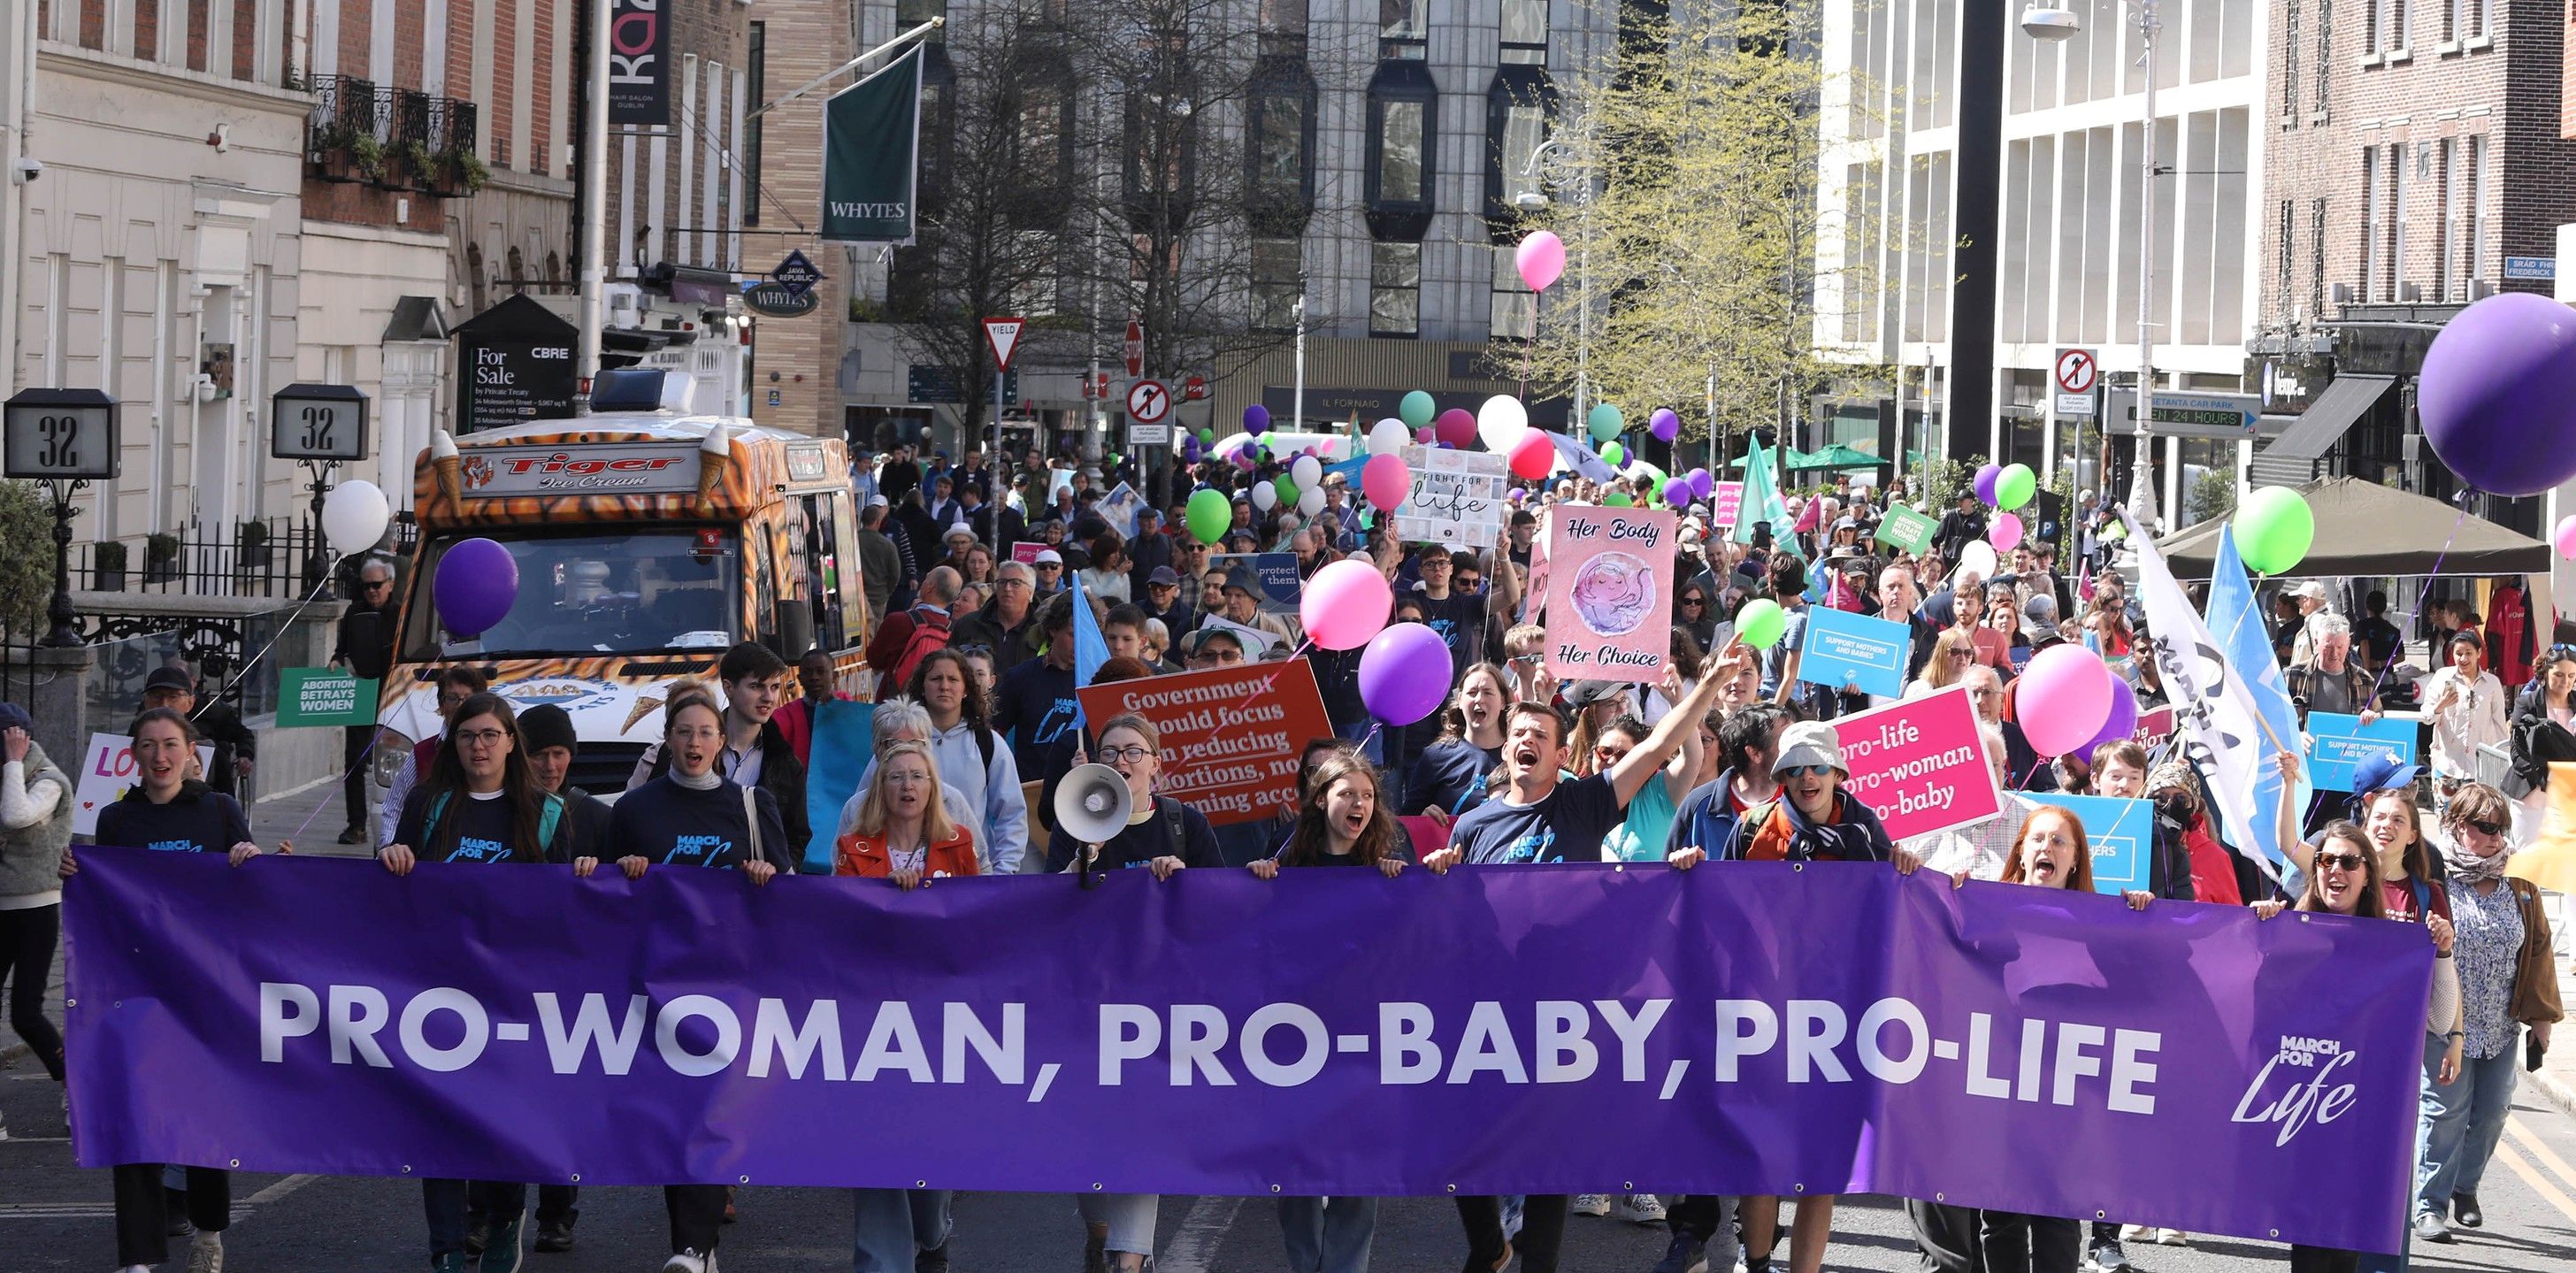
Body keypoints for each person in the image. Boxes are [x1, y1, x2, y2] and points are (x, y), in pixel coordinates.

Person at [1691, 720, 1916, 1273]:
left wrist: (1908, 869)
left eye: (1817, 766)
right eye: (1795, 768)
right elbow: (1719, 905)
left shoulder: (1867, 833)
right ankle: (1757, 1263)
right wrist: (1689, 870)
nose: (1807, 777)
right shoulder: (1751, 828)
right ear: (1782, 777)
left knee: (1822, 1164)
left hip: (1839, 1016)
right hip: (1765, 1013)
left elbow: (1894, 914)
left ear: (1838, 773)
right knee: (1761, 1154)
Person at [588, 689, 787, 1273]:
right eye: (684, 732)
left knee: (711, 1108)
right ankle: (698, 1248)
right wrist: (624, 873)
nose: (694, 742)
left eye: (705, 732)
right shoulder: (634, 809)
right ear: (667, 740)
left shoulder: (751, 804)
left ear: (721, 741)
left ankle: (693, 1249)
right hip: (658, 982)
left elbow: (790, 893)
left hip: (732, 982)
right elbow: (605, 897)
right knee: (674, 1114)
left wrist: (766, 873)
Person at [375, 692, 571, 1272]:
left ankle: (507, 1219)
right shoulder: (427, 804)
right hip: (439, 993)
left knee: (504, 1122)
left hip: (513, 996)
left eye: (489, 735)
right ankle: (447, 1248)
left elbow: (566, 908)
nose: (478, 746)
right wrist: (394, 856)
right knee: (439, 1123)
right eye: (466, 736)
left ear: (511, 743)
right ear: (453, 744)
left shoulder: (546, 812)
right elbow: (397, 889)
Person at [76, 708, 266, 1273]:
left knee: (202, 1116)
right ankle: (137, 1257)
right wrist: (76, 874)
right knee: (134, 1116)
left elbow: (252, 895)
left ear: (190, 753)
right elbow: (106, 899)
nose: (160, 757)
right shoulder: (116, 820)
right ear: (133, 755)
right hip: (138, 991)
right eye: (148, 746)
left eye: (170, 745)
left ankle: (208, 1231)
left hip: (207, 992)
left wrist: (253, 860)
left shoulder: (220, 810)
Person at [2253, 819, 2457, 1273]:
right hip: (2302, 1111)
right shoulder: (2288, 930)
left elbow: (2440, 1020)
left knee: (2346, 1248)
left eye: (2349, 861)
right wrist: (2257, 933)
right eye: (2326, 860)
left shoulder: (2395, 947)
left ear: (2368, 875)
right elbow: (2251, 1005)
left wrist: (2442, 954)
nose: (2335, 870)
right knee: (2310, 1244)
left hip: (2365, 1116)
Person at [1244, 751, 1405, 1273]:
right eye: (1347, 794)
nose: (1360, 803)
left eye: (1368, 795)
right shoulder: (1287, 861)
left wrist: (1404, 883)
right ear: (1320, 800)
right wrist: (1258, 881)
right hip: (1296, 1035)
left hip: (1362, 1034)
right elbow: (1256, 935)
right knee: (1295, 1159)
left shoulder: (1385, 868)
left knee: (1360, 1161)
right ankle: (1306, 1262)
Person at [2411, 782, 2560, 1245]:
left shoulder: (2520, 884)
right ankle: (2430, 1205)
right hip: (2445, 1020)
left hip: (2501, 1023)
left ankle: (2465, 1186)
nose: (2496, 837)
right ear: (2457, 824)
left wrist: (2542, 1017)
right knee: (2446, 1113)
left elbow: (2539, 949)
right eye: (2485, 827)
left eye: (2501, 828)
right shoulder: (2436, 879)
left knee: (2494, 1112)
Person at [629, 642, 812, 855]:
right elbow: (646, 815)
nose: (769, 697)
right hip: (680, 870)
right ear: (728, 688)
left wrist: (773, 870)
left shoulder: (786, 764)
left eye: (774, 687)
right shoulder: (681, 750)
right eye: (756, 686)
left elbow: (796, 840)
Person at [0, 705, 72, 1131]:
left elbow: (15, 815)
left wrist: (13, 761)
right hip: (2, 905)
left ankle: (72, 1082)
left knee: (25, 1012)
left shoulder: (49, 780)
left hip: (35, 908)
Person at [901, 649, 1027, 873]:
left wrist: (1002, 872)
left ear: (966, 689)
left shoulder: (989, 743)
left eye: (953, 679)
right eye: (936, 678)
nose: (944, 686)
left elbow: (1011, 814)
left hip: (971, 873)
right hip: (909, 877)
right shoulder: (901, 743)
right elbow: (865, 805)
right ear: (922, 686)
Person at [380, 666, 495, 850]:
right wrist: (390, 848)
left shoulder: (496, 751)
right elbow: (394, 808)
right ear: (441, 706)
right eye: (452, 698)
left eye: (468, 699)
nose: (460, 705)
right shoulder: (423, 753)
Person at [333, 557, 403, 842]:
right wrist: (336, 660)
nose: (371, 591)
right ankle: (356, 825)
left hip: (393, 693)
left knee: (396, 762)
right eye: (366, 586)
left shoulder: (402, 613)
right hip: (363, 691)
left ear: (390, 585)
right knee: (354, 760)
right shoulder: (354, 612)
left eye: (377, 585)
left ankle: (397, 823)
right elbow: (342, 649)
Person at [1407, 663, 1512, 822]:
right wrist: (1423, 818)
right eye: (1472, 692)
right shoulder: (1435, 756)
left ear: (1503, 701)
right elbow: (1407, 820)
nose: (1479, 699)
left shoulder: (1518, 755)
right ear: (1460, 700)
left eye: (1488, 692)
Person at [2421, 631, 2508, 814]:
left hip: (2480, 770)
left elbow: (2500, 724)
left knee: (2475, 822)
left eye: (2468, 653)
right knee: (2446, 823)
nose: (2463, 659)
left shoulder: (2492, 683)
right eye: (2458, 653)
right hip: (2447, 767)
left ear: (2479, 653)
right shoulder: (2442, 677)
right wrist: (2441, 706)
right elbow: (2426, 717)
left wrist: (2502, 760)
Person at [142, 663, 256, 800]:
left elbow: (242, 734)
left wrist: (245, 754)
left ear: (190, 702)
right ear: (146, 701)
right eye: (156, 696)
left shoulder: (213, 710)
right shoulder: (140, 727)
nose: (164, 704)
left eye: (173, 696)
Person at [2504, 646, 2576, 841]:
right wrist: (2547, 778)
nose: (2566, 681)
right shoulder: (2527, 703)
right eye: (2559, 675)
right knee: (2529, 854)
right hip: (2532, 797)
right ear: (2545, 672)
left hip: (2569, 800)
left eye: (2571, 676)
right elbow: (2518, 752)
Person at [771, 648, 848, 768]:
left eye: (821, 671)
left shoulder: (846, 705)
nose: (814, 677)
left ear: (834, 676)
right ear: (799, 679)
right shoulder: (787, 714)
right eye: (807, 672)